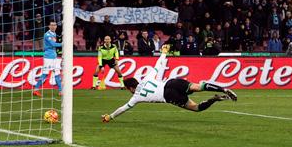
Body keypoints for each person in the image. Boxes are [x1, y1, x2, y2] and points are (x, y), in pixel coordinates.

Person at [101, 50, 238, 122]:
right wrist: (164, 53)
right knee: (198, 86)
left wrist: (110, 116)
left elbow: (123, 108)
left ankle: (214, 99)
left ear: (130, 88)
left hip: (168, 95)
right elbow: (157, 65)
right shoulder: (146, 78)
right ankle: (223, 89)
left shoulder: (136, 96)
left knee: (195, 108)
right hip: (171, 82)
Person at [33, 21, 62, 97]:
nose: (53, 26)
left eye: (54, 25)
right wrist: (63, 44)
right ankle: (36, 89)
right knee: (45, 74)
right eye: (51, 25)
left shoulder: (54, 34)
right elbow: (52, 44)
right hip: (48, 57)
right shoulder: (47, 34)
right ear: (49, 26)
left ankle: (60, 91)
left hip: (54, 56)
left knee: (57, 73)